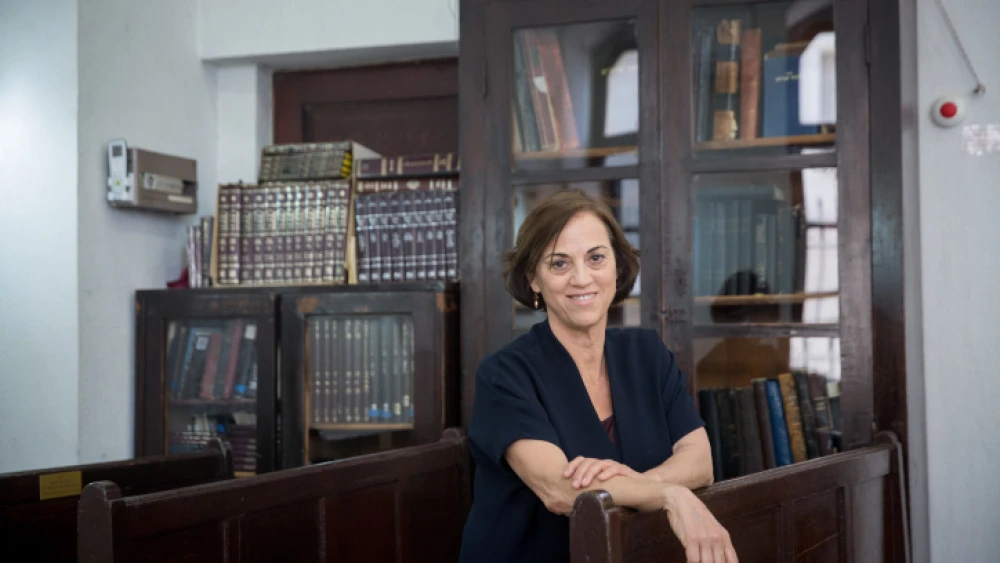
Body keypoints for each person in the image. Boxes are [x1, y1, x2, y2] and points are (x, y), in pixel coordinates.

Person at [458, 189, 738, 563]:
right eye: (559, 264)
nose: (581, 278)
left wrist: (640, 484)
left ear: (617, 267)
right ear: (533, 280)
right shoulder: (504, 375)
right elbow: (561, 490)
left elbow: (700, 463)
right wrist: (670, 493)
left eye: (596, 258)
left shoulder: (648, 354)